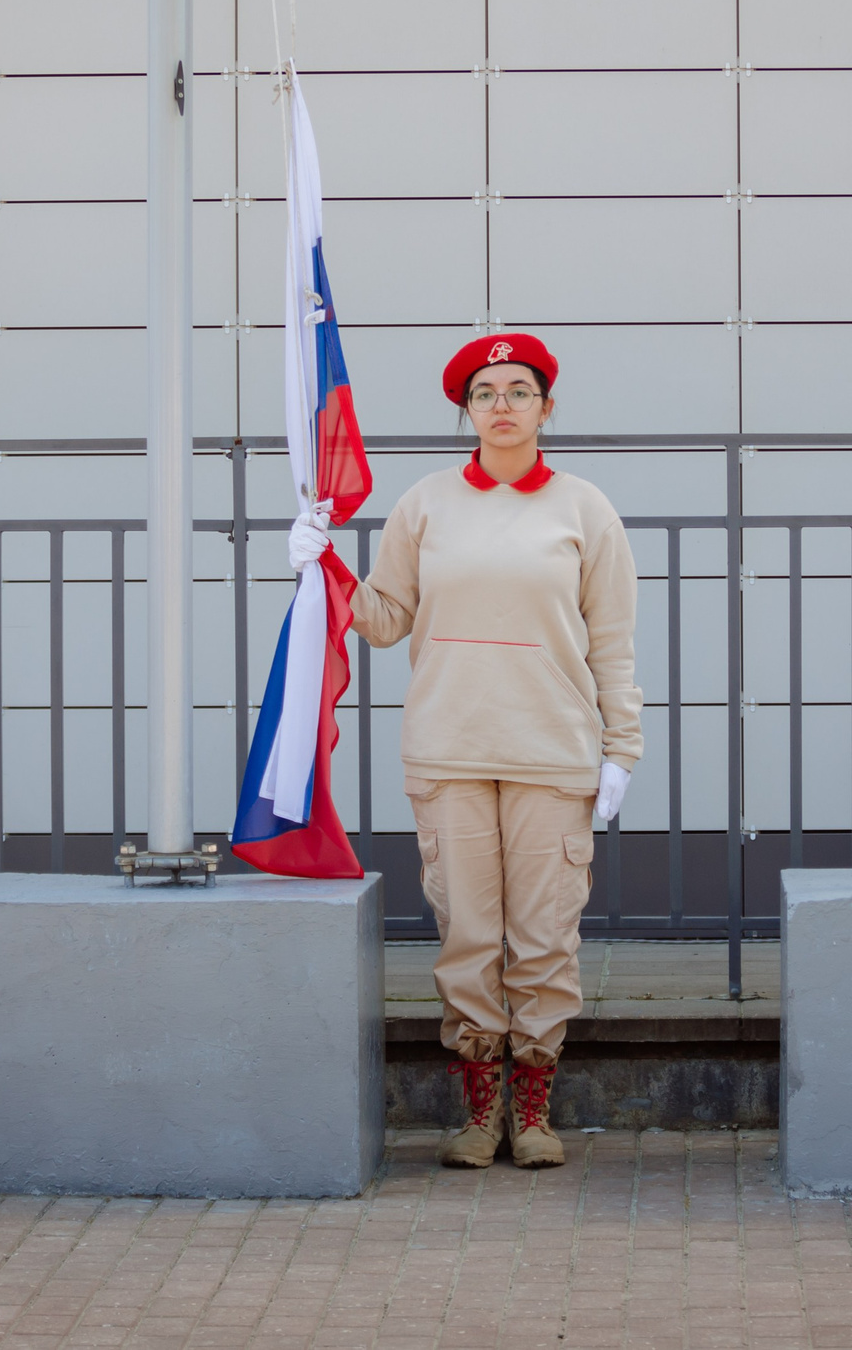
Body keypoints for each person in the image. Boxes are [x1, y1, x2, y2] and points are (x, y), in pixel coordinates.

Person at [294, 333, 640, 1168]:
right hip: (449, 749)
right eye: (485, 393)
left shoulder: (585, 509)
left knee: (544, 938)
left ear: (546, 407)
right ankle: (481, 1114)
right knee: (469, 936)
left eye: (519, 390)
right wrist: (324, 567)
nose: (502, 405)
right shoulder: (425, 505)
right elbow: (385, 618)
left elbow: (613, 641)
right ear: (467, 411)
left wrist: (620, 748)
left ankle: (535, 1115)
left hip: (551, 750)